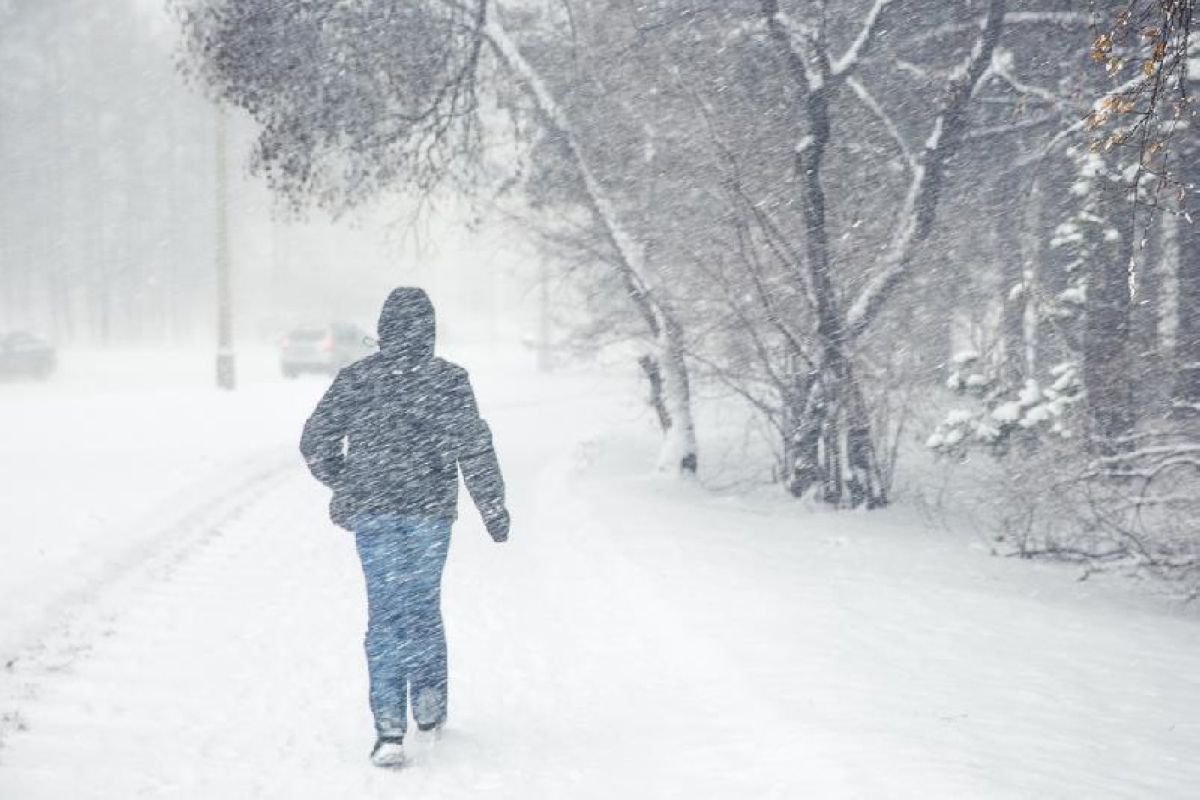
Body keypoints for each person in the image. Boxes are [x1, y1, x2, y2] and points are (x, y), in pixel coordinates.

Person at [300, 287, 509, 769]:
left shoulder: (358, 378)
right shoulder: (450, 381)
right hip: (430, 512)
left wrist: (346, 481)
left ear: (383, 329)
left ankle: (389, 728)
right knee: (421, 605)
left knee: (385, 612)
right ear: (430, 330)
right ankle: (429, 700)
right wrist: (492, 505)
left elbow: (315, 440)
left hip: (375, 511)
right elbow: (474, 446)